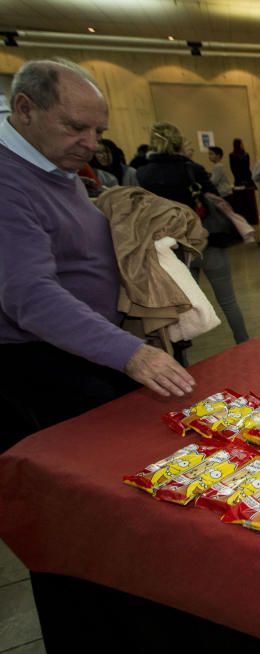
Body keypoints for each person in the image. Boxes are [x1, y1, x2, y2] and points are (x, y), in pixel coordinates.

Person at [0, 59, 195, 449]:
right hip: (43, 358)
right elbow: (29, 295)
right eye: (76, 128)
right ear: (25, 109)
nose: (91, 144)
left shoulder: (56, 165)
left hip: (87, 344)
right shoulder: (8, 182)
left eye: (98, 131)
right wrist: (132, 354)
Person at [137, 121, 250, 346]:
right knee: (228, 300)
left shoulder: (142, 175)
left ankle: (183, 358)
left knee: (181, 306)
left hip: (171, 249)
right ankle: (244, 343)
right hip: (207, 241)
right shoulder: (192, 169)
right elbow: (216, 200)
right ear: (178, 143)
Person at [228, 137, 258, 225]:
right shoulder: (245, 155)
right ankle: (252, 219)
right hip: (247, 180)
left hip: (238, 180)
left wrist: (238, 179)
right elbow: (247, 168)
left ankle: (244, 220)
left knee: (241, 203)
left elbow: (233, 169)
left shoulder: (232, 155)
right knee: (249, 202)